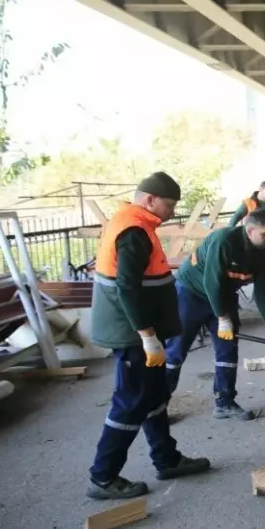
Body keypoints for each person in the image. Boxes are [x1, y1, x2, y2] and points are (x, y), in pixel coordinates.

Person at [86, 172, 210, 500]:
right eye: (169, 205)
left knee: (154, 398)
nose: (171, 211)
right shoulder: (133, 230)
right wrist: (147, 335)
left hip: (140, 331)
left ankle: (167, 459)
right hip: (131, 333)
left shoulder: (137, 223)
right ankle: (103, 475)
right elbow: (127, 287)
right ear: (150, 200)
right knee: (130, 402)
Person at [165, 209, 265, 421]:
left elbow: (261, 293)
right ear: (249, 231)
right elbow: (211, 283)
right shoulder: (224, 240)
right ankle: (158, 406)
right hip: (191, 293)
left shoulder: (264, 251)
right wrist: (222, 319)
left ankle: (225, 402)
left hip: (225, 294)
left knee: (228, 349)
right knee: (176, 351)